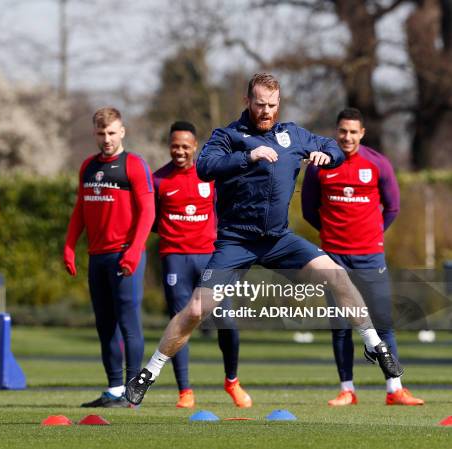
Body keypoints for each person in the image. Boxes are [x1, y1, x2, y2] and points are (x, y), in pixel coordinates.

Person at [125, 73, 403, 406]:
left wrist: (328, 156)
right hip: (235, 241)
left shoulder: (292, 134)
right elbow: (205, 167)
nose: (266, 111)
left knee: (335, 274)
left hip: (278, 239)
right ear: (247, 102)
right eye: (260, 104)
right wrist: (248, 157)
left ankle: (374, 345)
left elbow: (332, 146)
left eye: (272, 105)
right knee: (197, 309)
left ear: (279, 103)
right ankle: (148, 374)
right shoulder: (228, 136)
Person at [301, 107, 424, 406]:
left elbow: (392, 207)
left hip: (371, 257)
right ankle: (347, 389)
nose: (347, 137)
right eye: (343, 131)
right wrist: (332, 234)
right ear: (336, 131)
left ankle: (395, 390)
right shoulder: (319, 165)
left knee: (383, 324)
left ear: (362, 133)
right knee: (342, 325)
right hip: (334, 259)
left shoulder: (378, 163)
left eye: (353, 132)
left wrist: (373, 234)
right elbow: (308, 210)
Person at [153, 121, 251, 408]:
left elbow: (227, 212)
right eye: (175, 146)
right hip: (175, 259)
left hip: (212, 258)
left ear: (195, 146)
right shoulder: (158, 180)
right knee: (180, 325)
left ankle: (231, 381)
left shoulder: (211, 177)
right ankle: (185, 391)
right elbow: (152, 221)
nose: (179, 152)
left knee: (227, 322)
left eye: (185, 146)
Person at [64, 107, 155, 408]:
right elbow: (80, 210)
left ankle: (133, 392)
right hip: (97, 257)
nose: (106, 139)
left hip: (125, 256)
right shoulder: (88, 167)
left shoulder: (134, 165)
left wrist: (133, 250)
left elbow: (147, 213)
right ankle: (114, 389)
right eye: (101, 133)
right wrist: (69, 245)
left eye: (112, 132)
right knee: (105, 325)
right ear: (95, 133)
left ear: (122, 131)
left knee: (129, 325)